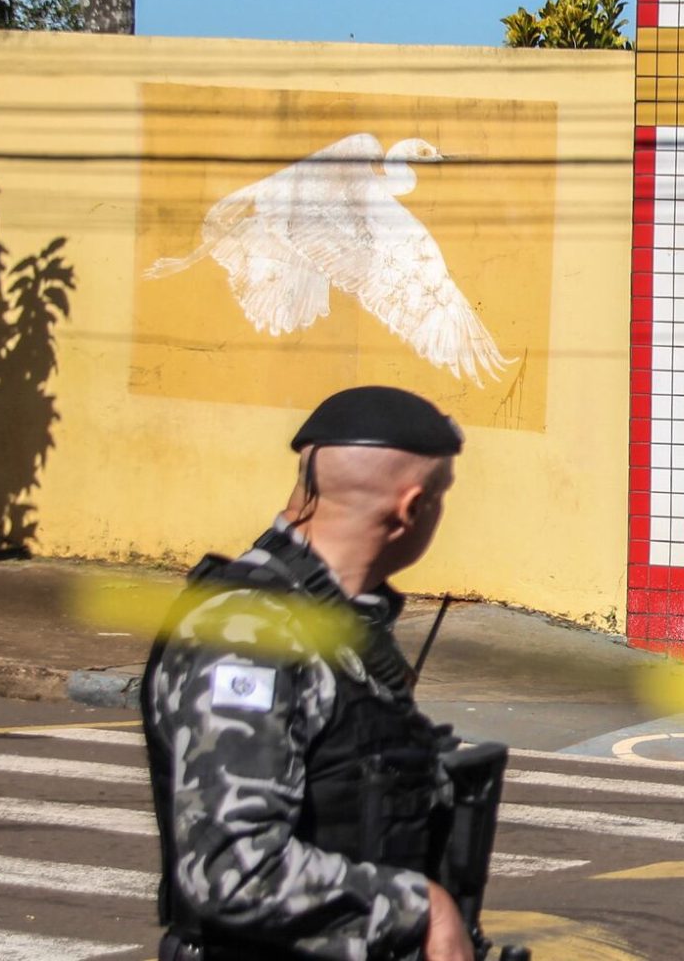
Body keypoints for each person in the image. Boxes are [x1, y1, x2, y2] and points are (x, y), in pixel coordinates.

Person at [143, 386, 476, 961]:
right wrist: (420, 909)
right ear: (412, 507)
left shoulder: (339, 621)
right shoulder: (247, 633)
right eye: (443, 499)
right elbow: (233, 869)